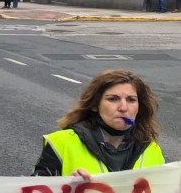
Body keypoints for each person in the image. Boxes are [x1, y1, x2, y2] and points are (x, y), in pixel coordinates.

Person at [32, 69, 166, 177]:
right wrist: (66, 190)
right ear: (95, 105)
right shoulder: (62, 143)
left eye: (131, 100)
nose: (124, 107)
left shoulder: (152, 150)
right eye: (113, 99)